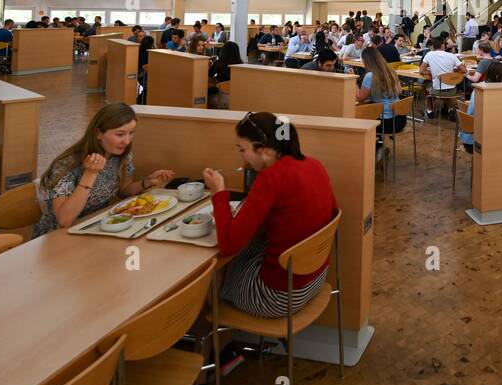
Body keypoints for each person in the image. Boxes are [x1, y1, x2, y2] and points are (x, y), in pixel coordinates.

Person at [199, 112, 336, 317]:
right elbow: (329, 209)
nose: (241, 158)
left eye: (242, 150)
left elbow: (228, 245)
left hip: (279, 296)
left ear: (263, 150)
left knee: (212, 275)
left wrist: (219, 192)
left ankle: (217, 338)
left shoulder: (270, 178)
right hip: (315, 277)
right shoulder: (313, 164)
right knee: (250, 247)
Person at [32, 103, 175, 236]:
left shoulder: (121, 154)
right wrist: (90, 174)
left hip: (95, 227)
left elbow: (123, 191)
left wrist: (147, 182)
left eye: (131, 133)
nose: (127, 141)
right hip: (57, 236)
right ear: (98, 133)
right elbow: (64, 220)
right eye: (120, 134)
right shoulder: (67, 164)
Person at [357, 46, 407, 150]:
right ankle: (378, 145)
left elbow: (360, 98)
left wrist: (353, 81)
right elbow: (399, 91)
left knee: (360, 118)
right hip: (400, 119)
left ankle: (376, 147)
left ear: (366, 61)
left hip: (386, 123)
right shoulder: (391, 72)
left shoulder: (370, 76)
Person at [459, 62, 502, 154]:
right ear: (498, 76)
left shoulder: (481, 86)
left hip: (470, 135)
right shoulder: (488, 91)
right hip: (475, 140)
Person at [421, 36, 462, 115]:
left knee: (425, 84)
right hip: (452, 91)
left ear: (433, 46)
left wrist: (434, 72)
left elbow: (421, 71)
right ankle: (450, 108)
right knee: (445, 87)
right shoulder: (451, 55)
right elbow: (464, 70)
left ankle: (429, 110)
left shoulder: (429, 54)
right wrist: (452, 72)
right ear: (443, 45)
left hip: (436, 91)